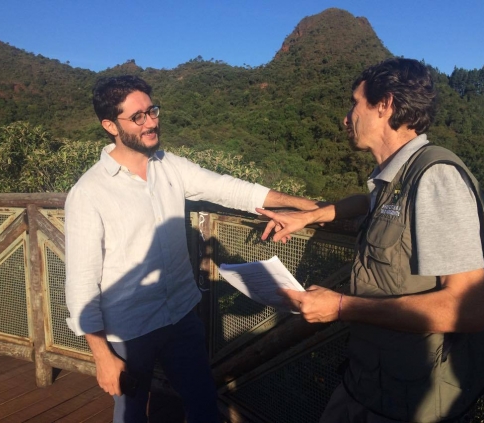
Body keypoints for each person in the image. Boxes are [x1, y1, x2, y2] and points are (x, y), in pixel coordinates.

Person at [64, 75, 319, 423]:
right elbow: (81, 282)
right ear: (110, 125)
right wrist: (102, 356)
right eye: (138, 117)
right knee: (131, 414)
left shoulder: (169, 166)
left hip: (181, 315)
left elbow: (228, 188)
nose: (151, 122)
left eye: (152, 111)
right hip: (129, 328)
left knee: (202, 405)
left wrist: (304, 206)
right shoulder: (89, 192)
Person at [257, 58, 484, 423]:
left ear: (384, 105)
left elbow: (469, 309)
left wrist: (340, 307)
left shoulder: (436, 178)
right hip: (369, 382)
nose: (347, 116)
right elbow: (368, 203)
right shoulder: (392, 179)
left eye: (355, 103)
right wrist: (310, 215)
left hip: (414, 401)